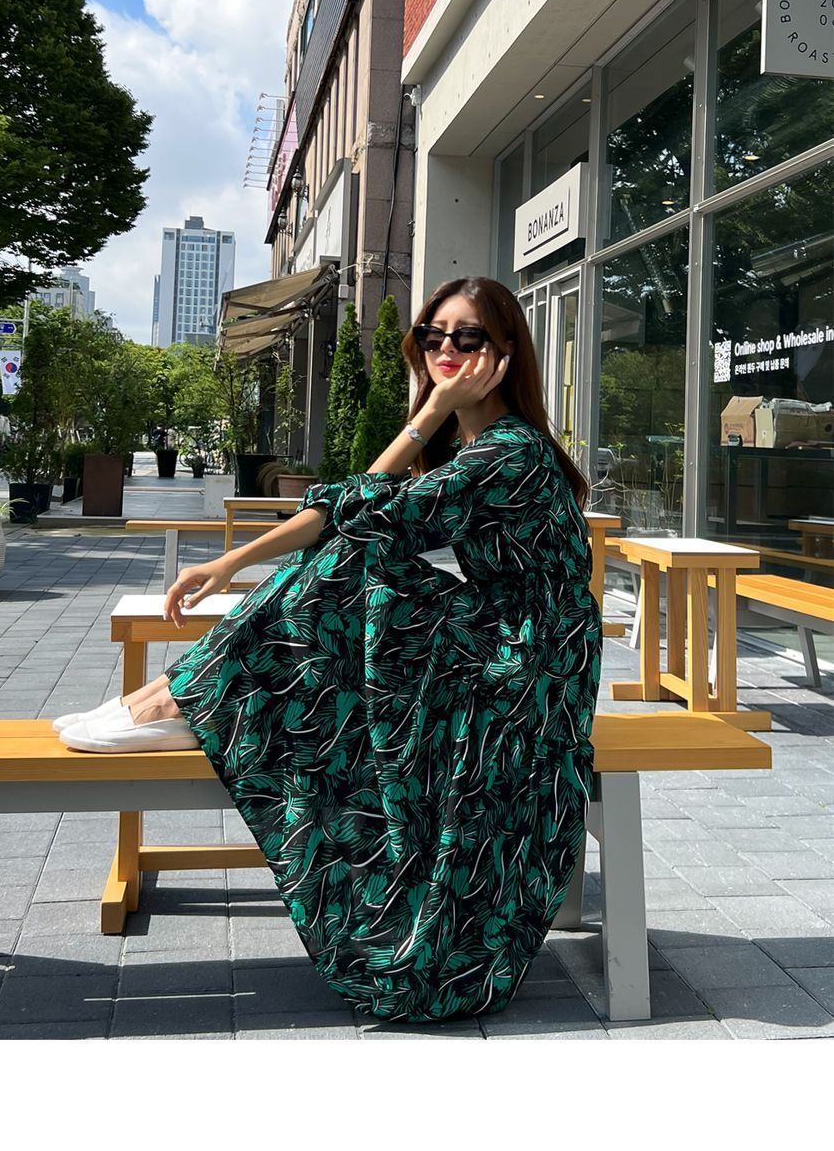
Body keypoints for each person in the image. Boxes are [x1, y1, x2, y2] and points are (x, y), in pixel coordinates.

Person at [54, 276, 602, 1023]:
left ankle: (178, 700)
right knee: (350, 562)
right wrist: (230, 562)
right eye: (433, 335)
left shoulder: (509, 454)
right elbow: (355, 509)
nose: (446, 348)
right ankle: (179, 698)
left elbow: (364, 512)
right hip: (500, 639)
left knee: (354, 563)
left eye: (468, 336)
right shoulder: (477, 446)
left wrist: (429, 413)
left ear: (505, 352)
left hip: (531, 667)